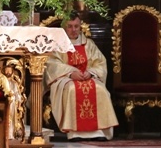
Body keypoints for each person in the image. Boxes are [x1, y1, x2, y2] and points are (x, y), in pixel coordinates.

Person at [44, 11, 118, 140]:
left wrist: (91, 72)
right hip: (65, 78)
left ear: (80, 26)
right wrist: (71, 73)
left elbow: (100, 62)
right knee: (73, 90)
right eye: (70, 26)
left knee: (100, 90)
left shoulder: (88, 44)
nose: (73, 30)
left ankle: (99, 131)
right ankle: (74, 132)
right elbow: (51, 64)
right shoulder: (57, 44)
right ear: (64, 27)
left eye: (76, 26)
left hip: (87, 76)